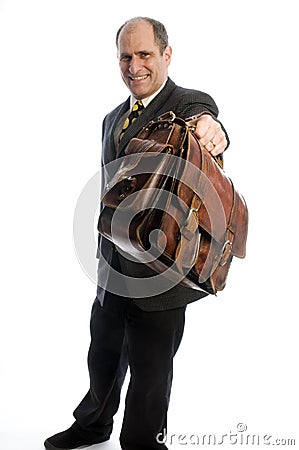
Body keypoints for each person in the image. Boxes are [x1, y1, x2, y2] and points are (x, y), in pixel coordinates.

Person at [44, 16, 229, 450]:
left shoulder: (186, 102)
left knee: (151, 372)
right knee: (104, 356)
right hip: (113, 266)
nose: (134, 65)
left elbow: (207, 121)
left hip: (163, 272)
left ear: (166, 55)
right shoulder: (113, 117)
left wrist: (213, 129)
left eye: (144, 54)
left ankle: (144, 444)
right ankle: (93, 425)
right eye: (125, 56)